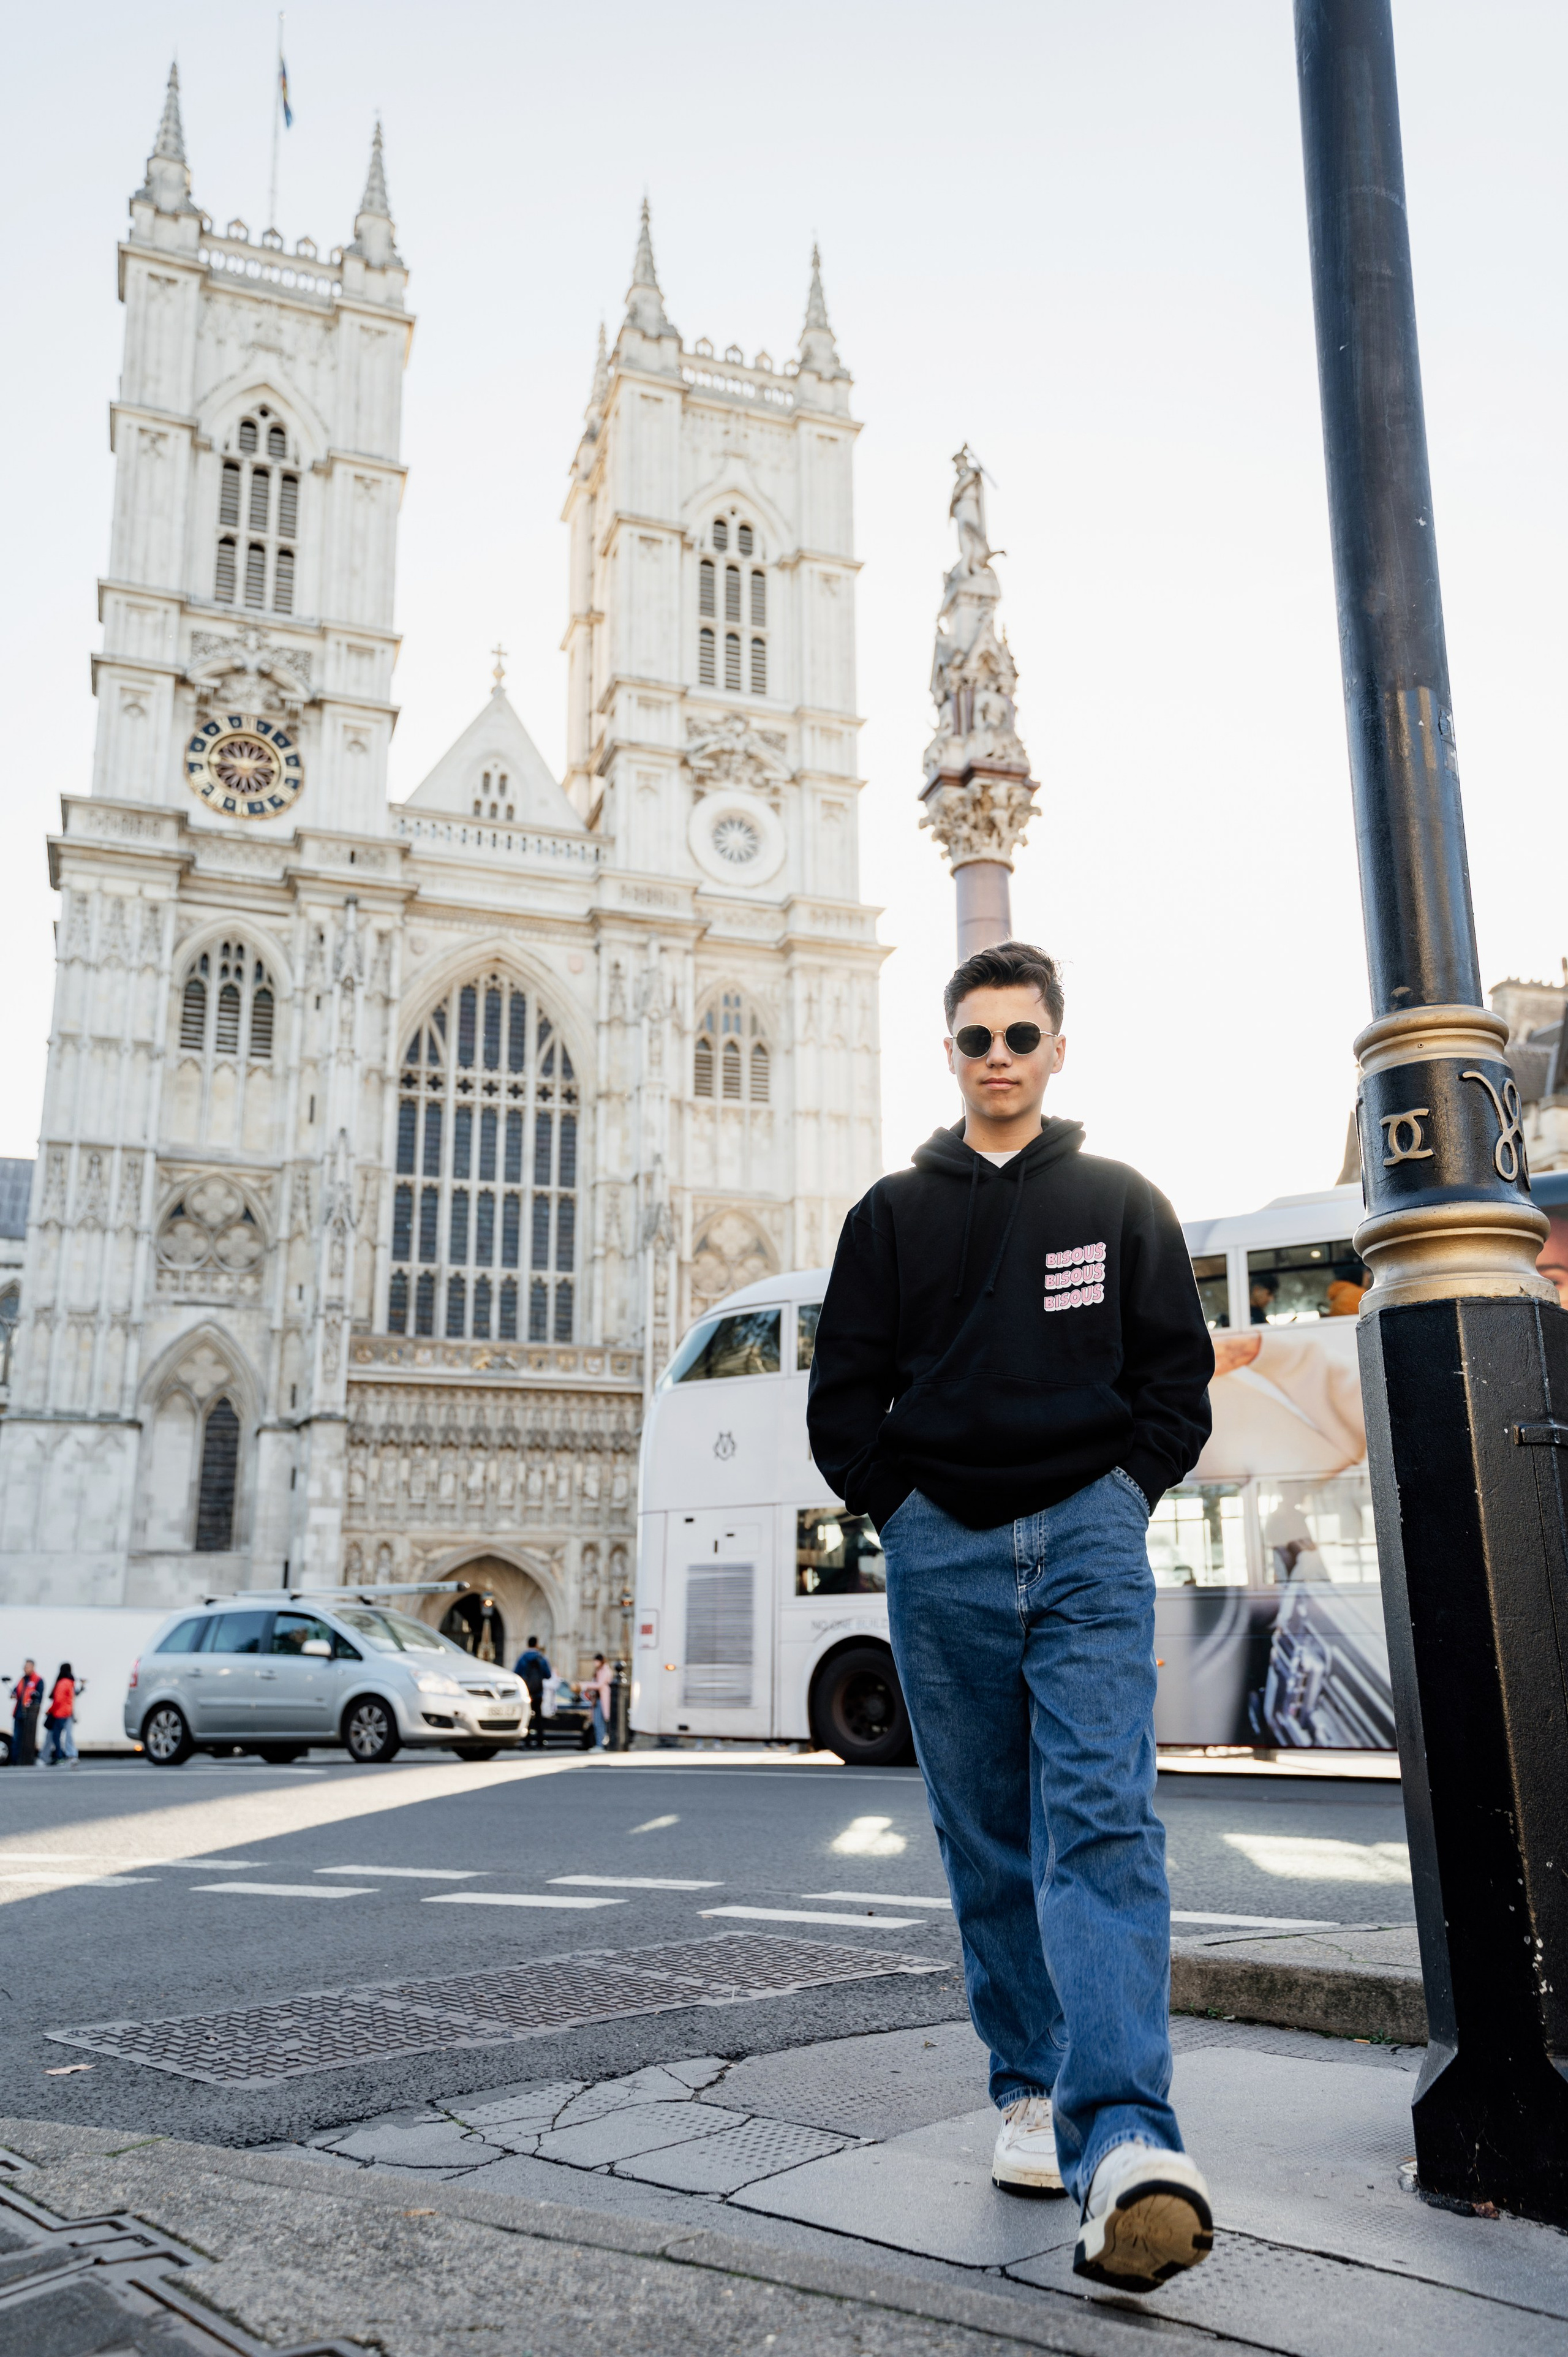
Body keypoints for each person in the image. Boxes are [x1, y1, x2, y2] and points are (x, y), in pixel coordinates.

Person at [807, 940, 1216, 2296]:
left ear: (1055, 1048)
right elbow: (841, 1394)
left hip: (1089, 1540)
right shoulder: (885, 1213)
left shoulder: (1118, 1199)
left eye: (1020, 1035)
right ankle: (1029, 2091)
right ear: (947, 1052)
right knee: (986, 1837)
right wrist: (902, 1506)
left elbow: (1174, 1369)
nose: (998, 1056)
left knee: (1101, 1818)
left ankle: (1130, 2148)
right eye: (974, 1036)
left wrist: (1119, 1490)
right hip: (943, 1549)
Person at [514, 1635, 551, 1748]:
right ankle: (540, 1743)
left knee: (527, 1718)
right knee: (539, 1719)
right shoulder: (541, 1658)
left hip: (526, 1693)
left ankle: (527, 1743)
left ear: (528, 1644)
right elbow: (548, 1675)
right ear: (537, 1644)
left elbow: (516, 1673)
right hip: (538, 1693)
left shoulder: (523, 1658)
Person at [42, 1662, 80, 1768]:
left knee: (55, 1735)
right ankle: (69, 1755)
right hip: (68, 1712)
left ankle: (58, 1756)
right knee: (67, 1735)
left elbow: (58, 1700)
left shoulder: (62, 1683)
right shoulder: (71, 1682)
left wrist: (50, 1710)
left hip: (60, 1713)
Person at [8, 1661, 42, 1767]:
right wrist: (13, 1694)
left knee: (27, 1739)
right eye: (24, 1667)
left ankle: (26, 1760)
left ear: (32, 1667)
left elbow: (39, 1697)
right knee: (16, 1738)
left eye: (27, 1667)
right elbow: (15, 1692)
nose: (25, 1669)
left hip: (29, 1716)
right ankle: (15, 1760)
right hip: (19, 1713)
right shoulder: (22, 1680)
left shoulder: (38, 1680)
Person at [586, 1653, 612, 1749]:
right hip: (596, 1700)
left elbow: (599, 1685)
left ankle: (601, 1744)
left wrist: (584, 1685)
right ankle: (599, 1744)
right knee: (597, 1723)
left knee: (602, 1723)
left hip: (603, 1700)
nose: (594, 1663)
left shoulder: (606, 1671)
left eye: (596, 1661)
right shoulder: (598, 1671)